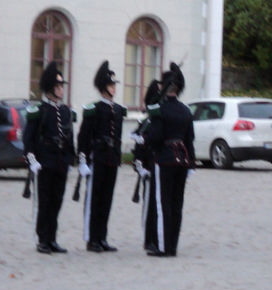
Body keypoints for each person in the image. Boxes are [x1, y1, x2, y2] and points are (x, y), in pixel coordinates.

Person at [23, 61, 76, 254]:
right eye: (58, 87)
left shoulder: (65, 111)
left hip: (61, 162)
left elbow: (69, 136)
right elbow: (28, 138)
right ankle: (42, 239)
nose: (61, 90)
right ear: (50, 89)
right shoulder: (39, 111)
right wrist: (32, 160)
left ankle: (52, 238)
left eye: (62, 87)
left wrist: (71, 159)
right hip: (45, 160)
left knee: (57, 201)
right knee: (44, 202)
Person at [146, 63, 195, 257]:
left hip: (165, 159)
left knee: (162, 203)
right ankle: (172, 245)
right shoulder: (185, 110)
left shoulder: (160, 110)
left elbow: (156, 136)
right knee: (176, 204)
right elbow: (190, 138)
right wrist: (191, 162)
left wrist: (146, 139)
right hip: (182, 161)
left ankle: (162, 245)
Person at [77, 61, 126, 252]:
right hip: (97, 157)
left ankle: (102, 237)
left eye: (114, 85)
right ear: (103, 87)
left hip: (111, 158)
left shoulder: (118, 110)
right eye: (111, 85)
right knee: (94, 199)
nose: (114, 88)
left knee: (107, 199)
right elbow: (84, 136)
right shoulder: (94, 109)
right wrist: (82, 159)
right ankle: (92, 238)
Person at [131, 80, 162, 254]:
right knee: (149, 206)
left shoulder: (160, 120)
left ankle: (158, 236)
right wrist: (140, 167)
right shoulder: (147, 123)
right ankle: (149, 239)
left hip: (161, 166)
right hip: (149, 168)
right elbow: (139, 150)